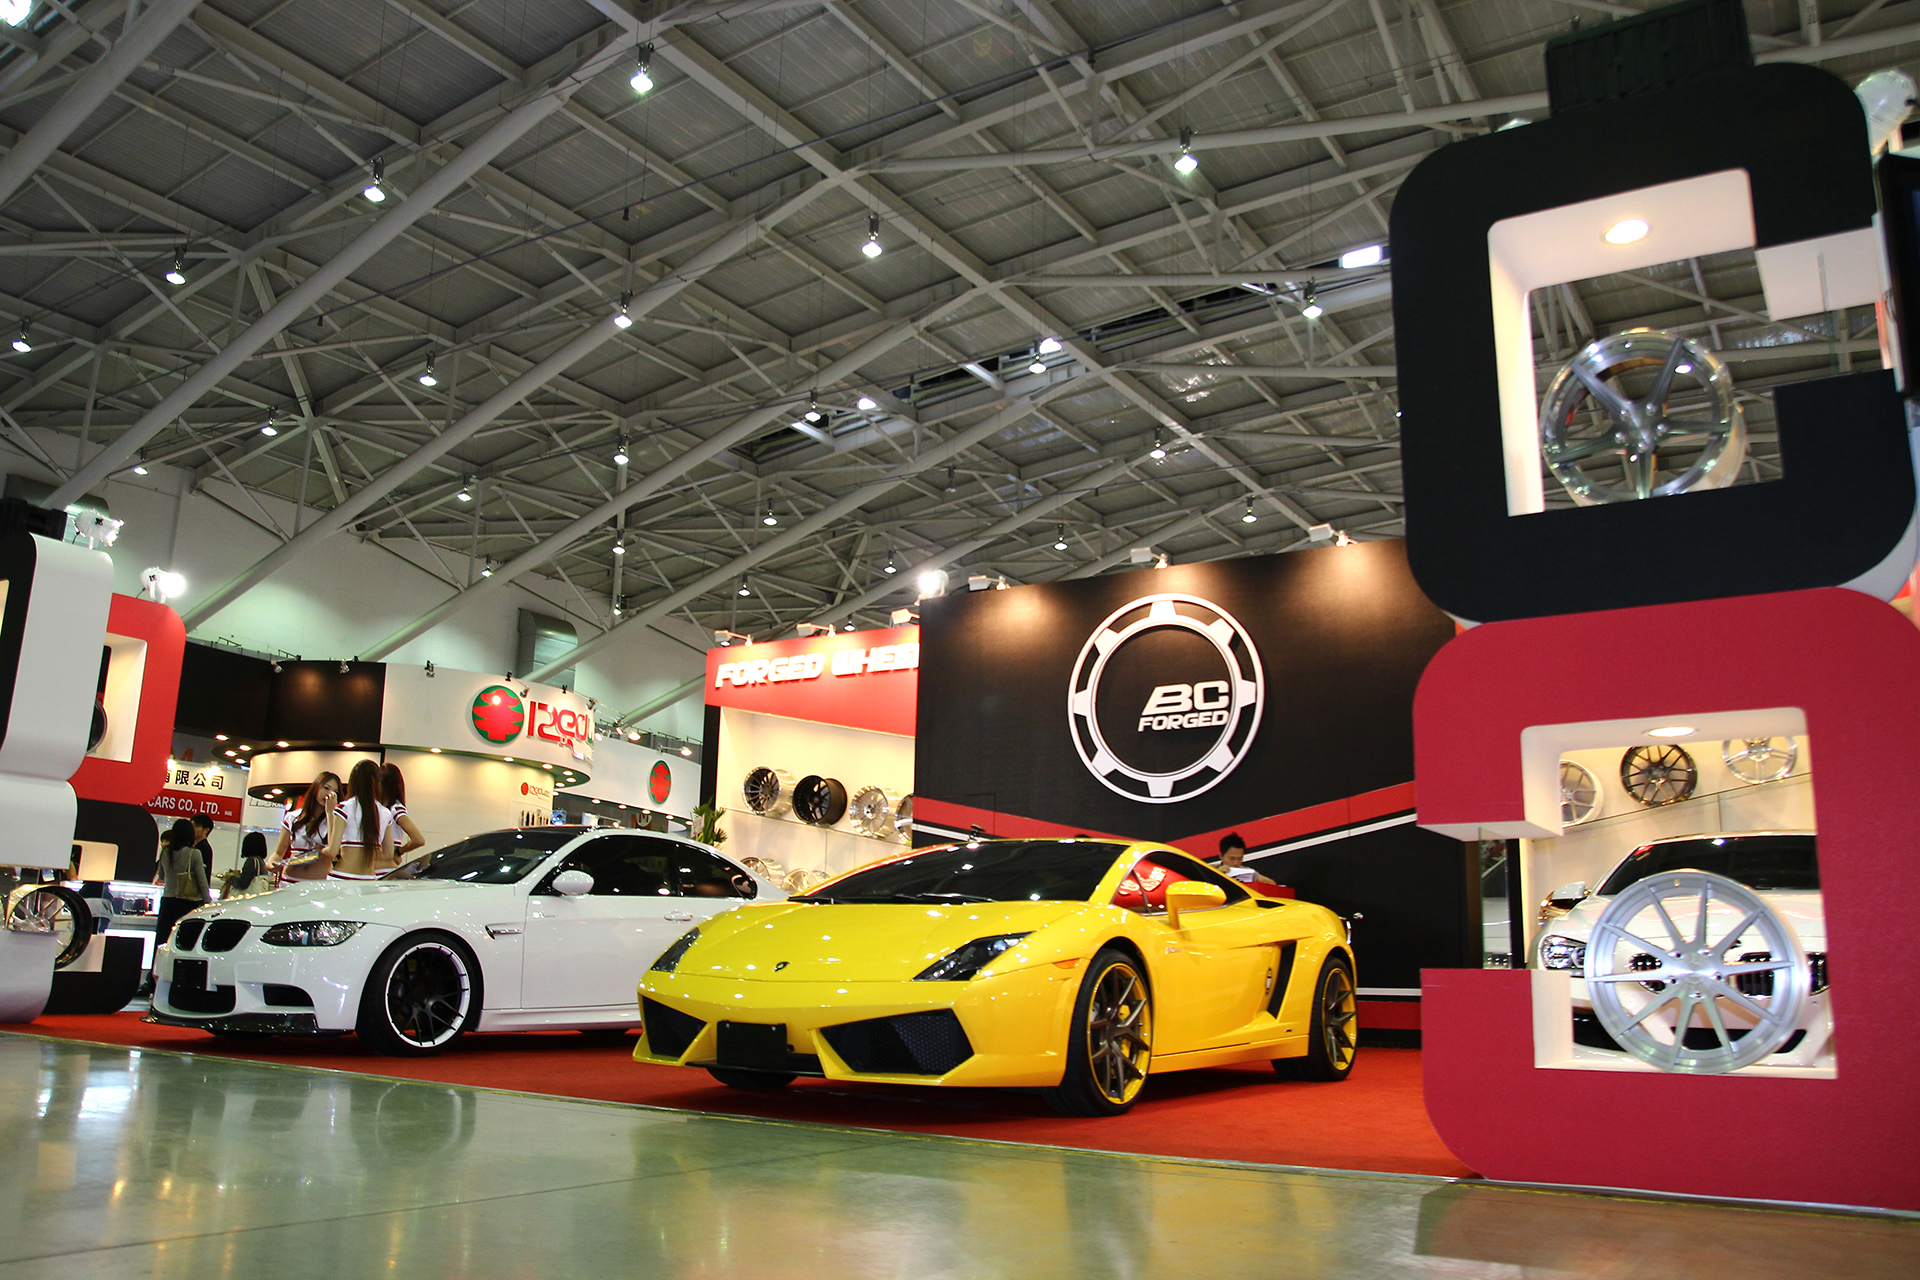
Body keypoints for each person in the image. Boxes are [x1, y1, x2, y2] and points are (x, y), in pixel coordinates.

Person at [148, 819, 209, 993]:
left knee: (162, 943)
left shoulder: (165, 852)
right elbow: (202, 882)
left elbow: (161, 876)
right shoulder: (194, 854)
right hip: (187, 904)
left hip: (167, 902)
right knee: (184, 945)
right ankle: (179, 984)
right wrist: (208, 903)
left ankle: (154, 983)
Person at [271, 771, 344, 883]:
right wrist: (272, 864)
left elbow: (333, 850)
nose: (329, 794)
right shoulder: (293, 817)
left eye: (335, 792)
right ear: (316, 788)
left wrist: (330, 813)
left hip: (319, 884)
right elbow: (278, 853)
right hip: (289, 881)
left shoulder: (337, 821)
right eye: (326, 788)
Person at [332, 760, 396, 878]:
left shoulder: (344, 808)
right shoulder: (385, 812)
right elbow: (388, 854)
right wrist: (366, 853)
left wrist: (320, 852)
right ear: (377, 782)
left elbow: (332, 851)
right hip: (368, 879)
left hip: (342, 877)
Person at [378, 762, 427, 858]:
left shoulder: (395, 808)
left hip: (386, 859)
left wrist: (399, 851)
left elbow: (418, 839)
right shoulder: (382, 808)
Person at [227, 831, 271, 896]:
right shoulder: (261, 862)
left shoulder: (252, 860)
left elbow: (242, 883)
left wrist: (231, 877)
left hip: (248, 897)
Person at [189, 814, 216, 884]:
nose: (192, 829)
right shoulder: (195, 846)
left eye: (195, 826)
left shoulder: (203, 848)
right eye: (191, 826)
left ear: (206, 830)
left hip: (196, 887)